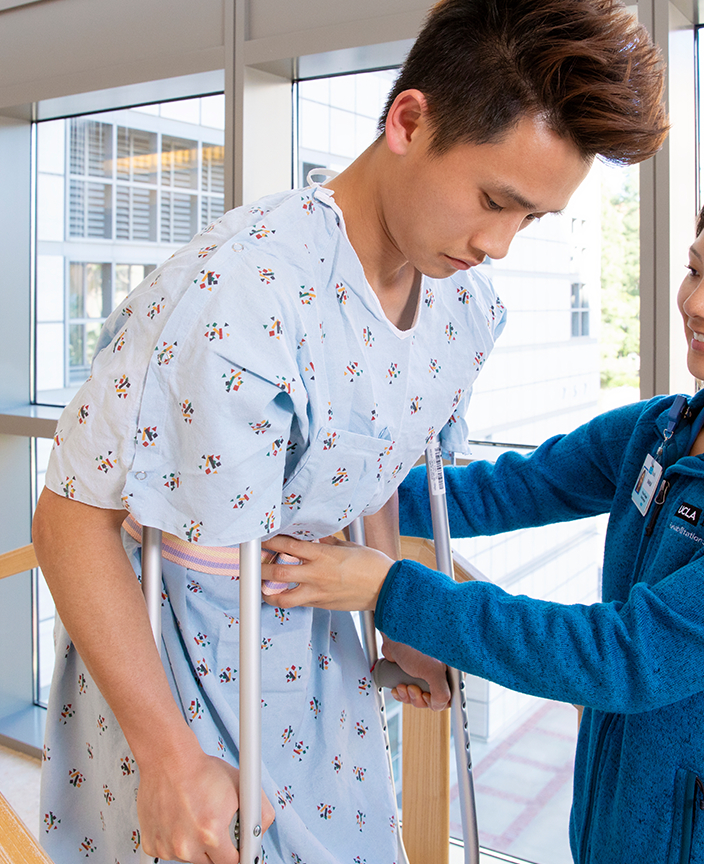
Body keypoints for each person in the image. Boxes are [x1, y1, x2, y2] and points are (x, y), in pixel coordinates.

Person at [32, 1, 668, 863]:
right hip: (168, 657)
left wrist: (401, 618)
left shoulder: (465, 309)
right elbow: (70, 518)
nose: (502, 243)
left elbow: (376, 472)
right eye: (493, 200)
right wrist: (167, 757)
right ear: (409, 120)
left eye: (532, 219)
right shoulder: (239, 288)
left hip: (319, 651)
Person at [260, 174, 704, 863]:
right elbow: (492, 493)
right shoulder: (662, 431)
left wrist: (387, 590)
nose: (695, 302)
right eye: (694, 269)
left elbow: (620, 658)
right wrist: (287, 477)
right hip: (614, 832)